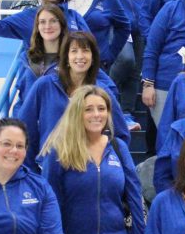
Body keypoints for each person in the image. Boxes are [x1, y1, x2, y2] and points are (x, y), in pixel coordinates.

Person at [41, 85, 145, 234]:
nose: (96, 114)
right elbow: (50, 207)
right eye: (89, 109)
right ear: (77, 113)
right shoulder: (60, 150)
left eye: (102, 108)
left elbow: (134, 196)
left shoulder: (118, 147)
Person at [18, 31, 130, 171]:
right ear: (66, 57)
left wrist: (107, 167)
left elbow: (121, 135)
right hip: (50, 168)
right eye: (74, 51)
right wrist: (32, 168)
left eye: (85, 51)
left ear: (93, 57)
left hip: (89, 172)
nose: (80, 56)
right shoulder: (44, 85)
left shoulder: (103, 92)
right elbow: (25, 127)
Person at [102, 0, 152, 131]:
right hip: (115, 24)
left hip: (139, 25)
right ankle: (102, 95)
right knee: (126, 60)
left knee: (134, 71)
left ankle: (126, 114)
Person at [11, 3, 67, 117]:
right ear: (37, 26)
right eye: (42, 22)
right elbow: (22, 98)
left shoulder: (72, 58)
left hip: (57, 123)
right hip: (27, 123)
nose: (47, 26)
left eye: (53, 21)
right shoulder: (28, 58)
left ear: (61, 24)